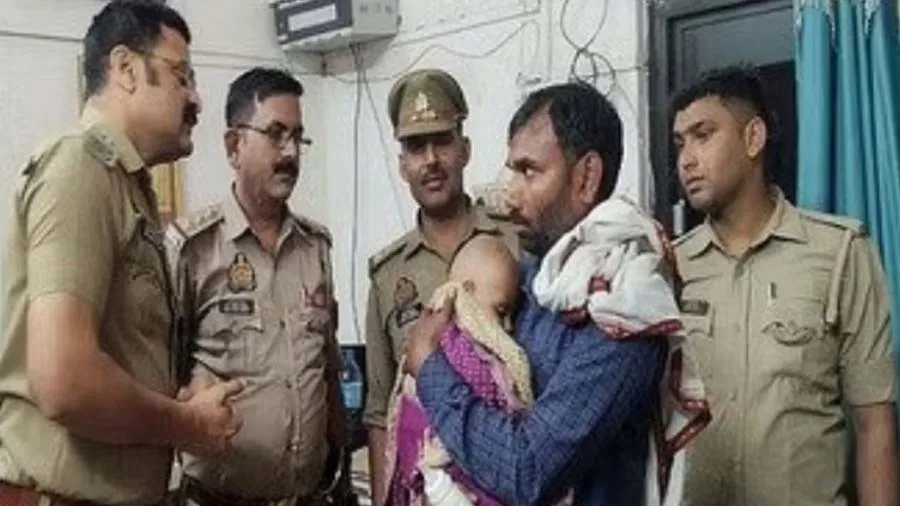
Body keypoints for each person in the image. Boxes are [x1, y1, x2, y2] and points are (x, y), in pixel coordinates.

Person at [0, 1, 243, 504]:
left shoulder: (125, 187)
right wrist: (187, 424)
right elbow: (65, 381)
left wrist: (173, 400)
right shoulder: (80, 166)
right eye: (182, 76)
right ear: (126, 69)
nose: (196, 98)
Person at [402, 82, 668, 506]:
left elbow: (526, 471)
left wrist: (430, 367)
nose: (510, 195)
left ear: (586, 177)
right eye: (512, 171)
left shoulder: (623, 311)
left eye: (529, 172)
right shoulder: (535, 279)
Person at [670, 65, 899, 506]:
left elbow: (875, 425)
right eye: (680, 143)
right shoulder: (671, 266)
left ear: (753, 138)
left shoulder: (840, 252)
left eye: (703, 135)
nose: (686, 160)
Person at [166, 67, 347, 505]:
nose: (290, 152)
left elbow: (327, 371)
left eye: (298, 137)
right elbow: (161, 380)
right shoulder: (192, 250)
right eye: (276, 134)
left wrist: (340, 478)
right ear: (234, 146)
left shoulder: (315, 246)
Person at [363, 68, 519, 506]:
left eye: (442, 141)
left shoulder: (514, 243)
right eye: (416, 147)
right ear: (402, 165)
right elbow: (379, 412)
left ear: (464, 150)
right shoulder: (388, 275)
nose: (430, 159)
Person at [384, 235, 532, 506]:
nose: (508, 326)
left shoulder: (443, 341)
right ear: (466, 292)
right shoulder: (454, 348)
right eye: (500, 311)